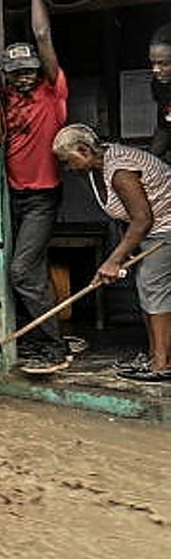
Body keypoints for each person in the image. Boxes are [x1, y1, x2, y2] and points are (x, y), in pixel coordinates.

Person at [53, 124, 171, 382]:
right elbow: (124, 214)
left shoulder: (120, 171)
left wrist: (114, 259)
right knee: (147, 289)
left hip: (166, 228)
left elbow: (142, 219)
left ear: (84, 150)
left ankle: (162, 364)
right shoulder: (99, 169)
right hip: (153, 231)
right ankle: (154, 357)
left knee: (153, 289)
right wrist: (124, 252)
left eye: (68, 161)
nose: (67, 168)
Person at [0, 0, 72, 373]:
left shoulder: (51, 93)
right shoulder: (9, 97)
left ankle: (54, 347)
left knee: (22, 271)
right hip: (14, 195)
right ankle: (49, 337)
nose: (25, 75)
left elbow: (42, 38)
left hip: (42, 196)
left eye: (30, 69)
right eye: (17, 71)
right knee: (34, 271)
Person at [147, 24, 171, 159]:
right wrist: (149, 162)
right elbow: (165, 126)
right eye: (153, 63)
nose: (155, 70)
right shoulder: (159, 85)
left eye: (164, 64)